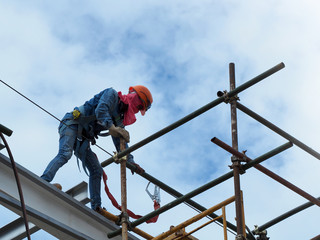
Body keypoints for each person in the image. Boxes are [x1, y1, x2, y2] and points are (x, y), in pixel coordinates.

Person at [41, 85, 153, 211]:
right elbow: (101, 109)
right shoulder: (112, 94)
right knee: (65, 154)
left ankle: (96, 207)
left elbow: (120, 143)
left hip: (82, 138)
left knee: (96, 170)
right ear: (136, 98)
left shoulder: (119, 118)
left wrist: (131, 161)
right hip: (71, 123)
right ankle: (43, 181)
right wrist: (111, 127)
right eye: (139, 107)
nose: (137, 111)